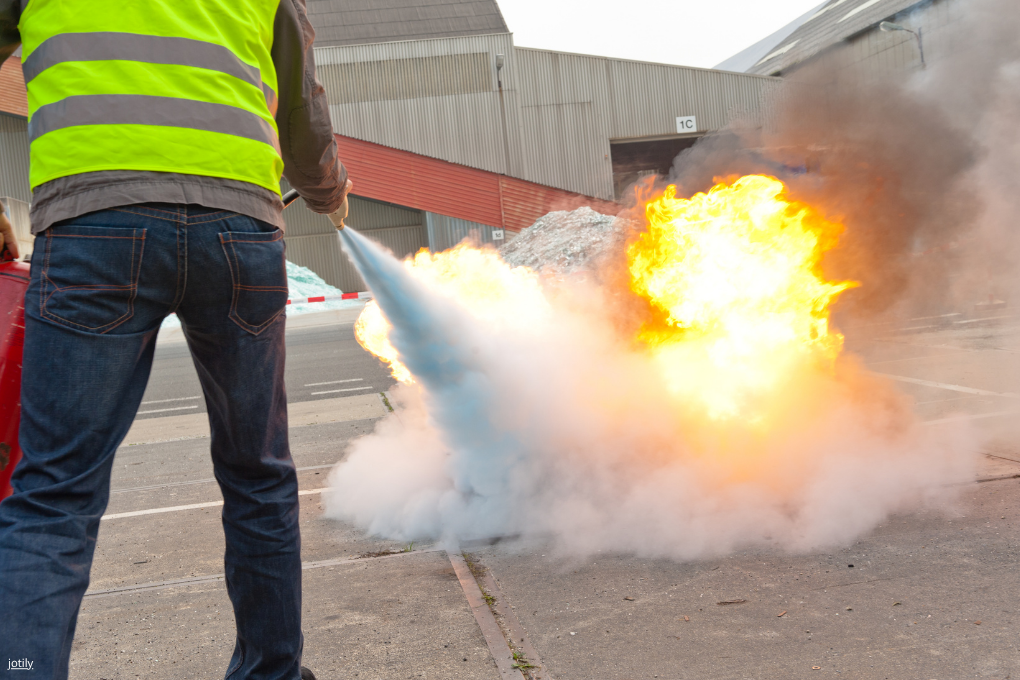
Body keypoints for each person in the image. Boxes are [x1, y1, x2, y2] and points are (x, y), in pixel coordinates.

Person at [0, 1, 351, 678]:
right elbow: (302, 104)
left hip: (94, 220)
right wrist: (327, 191)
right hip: (238, 227)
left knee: (52, 495)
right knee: (258, 475)